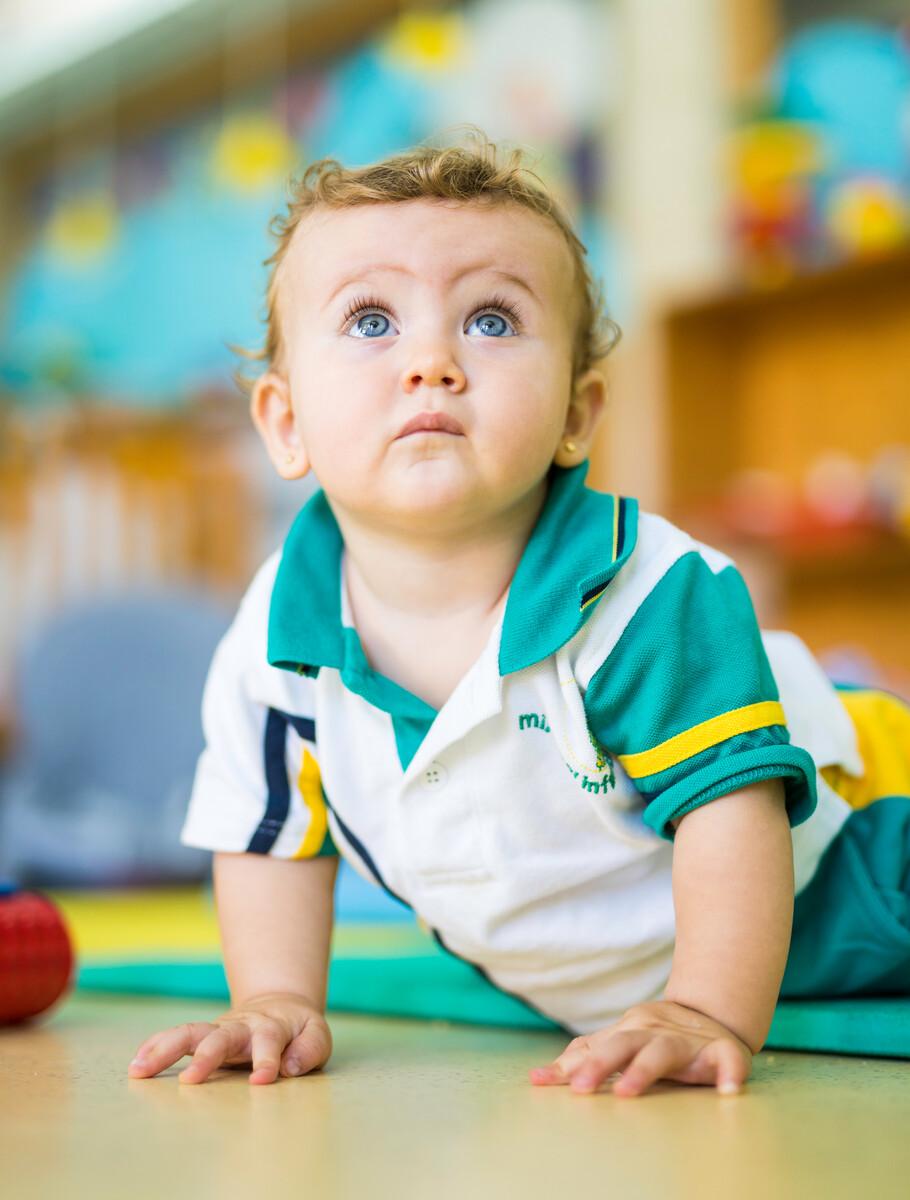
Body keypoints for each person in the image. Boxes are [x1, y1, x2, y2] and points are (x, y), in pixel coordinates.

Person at [127, 132, 910, 1098]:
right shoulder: (271, 643)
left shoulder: (647, 591)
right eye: (371, 319)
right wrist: (279, 998)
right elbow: (270, 833)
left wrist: (704, 1008)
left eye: (491, 321)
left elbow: (729, 810)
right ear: (285, 423)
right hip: (607, 970)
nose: (431, 360)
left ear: (578, 416)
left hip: (864, 859)